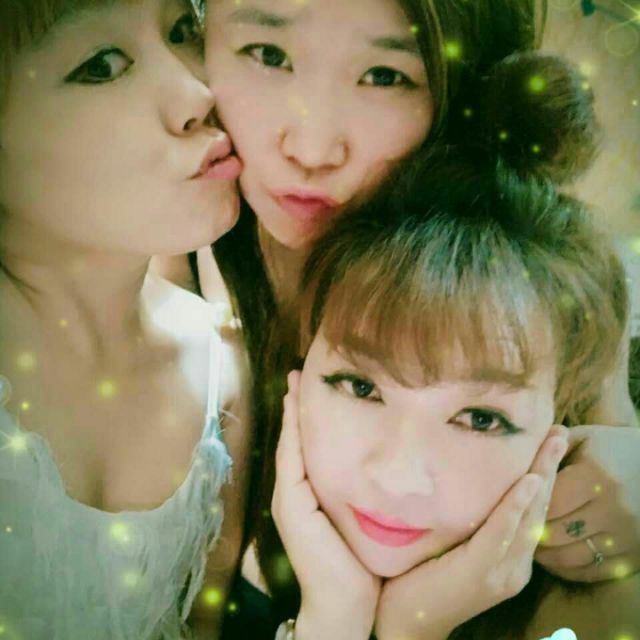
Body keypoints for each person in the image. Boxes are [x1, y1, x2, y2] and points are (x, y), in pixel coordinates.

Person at [272, 51, 640, 640]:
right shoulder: (223, 512)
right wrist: (334, 618)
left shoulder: (606, 618)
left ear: (559, 429)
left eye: (481, 419)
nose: (399, 477)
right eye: (361, 387)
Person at [0, 1, 250, 638]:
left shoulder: (220, 369)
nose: (197, 94)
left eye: (182, 31)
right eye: (102, 65)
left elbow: (203, 620)